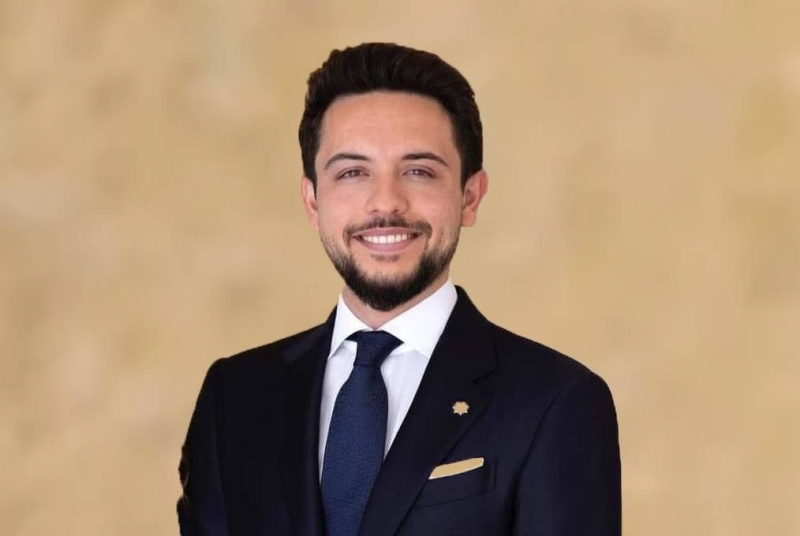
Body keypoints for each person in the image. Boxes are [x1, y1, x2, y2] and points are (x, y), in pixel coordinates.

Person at [177, 42, 621, 536]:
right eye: (352, 172)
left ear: (470, 197)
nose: (386, 202)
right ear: (313, 201)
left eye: (419, 171)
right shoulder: (234, 396)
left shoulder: (555, 400)